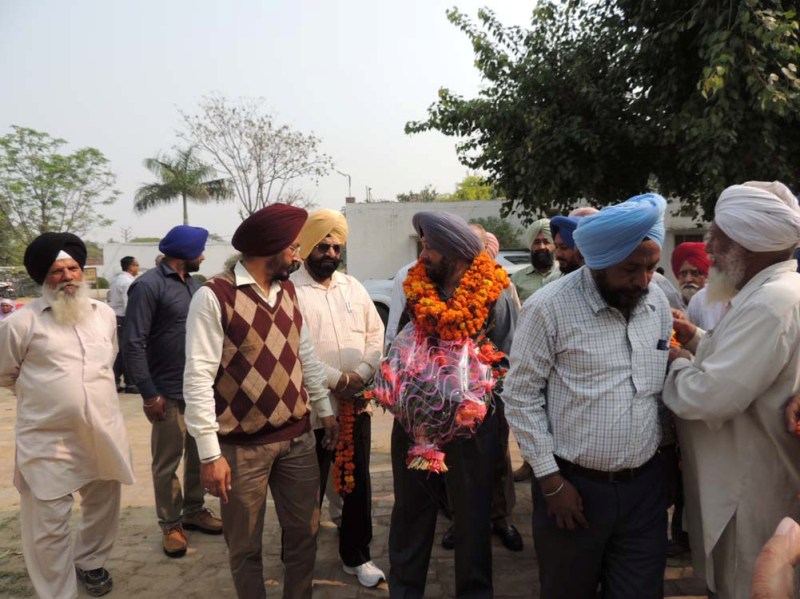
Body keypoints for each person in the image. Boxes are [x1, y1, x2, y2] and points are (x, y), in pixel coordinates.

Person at [504, 193, 672, 599]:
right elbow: (521, 396)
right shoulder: (548, 308)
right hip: (573, 491)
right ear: (598, 261)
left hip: (645, 491)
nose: (643, 280)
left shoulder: (656, 302)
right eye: (631, 269)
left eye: (651, 267)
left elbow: (658, 392)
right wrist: (551, 482)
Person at [183, 203, 339, 599]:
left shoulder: (288, 291)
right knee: (245, 547)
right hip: (241, 450)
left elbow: (305, 355)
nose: (298, 256)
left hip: (298, 440)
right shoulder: (214, 297)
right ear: (272, 248)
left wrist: (324, 410)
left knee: (304, 535)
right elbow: (198, 378)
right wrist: (209, 454)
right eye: (294, 247)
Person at [663, 181, 800, 598]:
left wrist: (675, 361)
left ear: (749, 244)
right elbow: (747, 365)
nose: (710, 249)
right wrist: (695, 339)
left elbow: (712, 396)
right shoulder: (772, 294)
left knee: (749, 583)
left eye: (718, 237)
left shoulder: (770, 302)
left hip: (749, 486)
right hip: (747, 475)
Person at [388, 211, 517, 598]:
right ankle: (404, 590)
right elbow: (400, 342)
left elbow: (508, 358)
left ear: (454, 251)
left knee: (473, 515)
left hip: (471, 428)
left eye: (429, 247)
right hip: (415, 424)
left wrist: (469, 389)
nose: (423, 254)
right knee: (411, 513)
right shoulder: (418, 290)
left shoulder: (494, 293)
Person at [0, 232, 135, 598]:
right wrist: (48, 396)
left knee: (103, 503)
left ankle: (90, 562)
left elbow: (107, 361)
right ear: (43, 276)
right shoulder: (21, 323)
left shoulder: (103, 315)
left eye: (73, 268)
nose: (68, 277)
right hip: (48, 439)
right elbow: (5, 373)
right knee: (48, 525)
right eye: (57, 271)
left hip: (102, 432)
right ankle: (57, 592)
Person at [291, 209, 386, 587]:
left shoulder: (353, 287)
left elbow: (375, 334)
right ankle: (299, 563)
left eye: (336, 247)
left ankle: (357, 556)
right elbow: (295, 349)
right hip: (310, 409)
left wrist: (361, 373)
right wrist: (336, 379)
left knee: (357, 484)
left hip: (354, 404)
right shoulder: (290, 291)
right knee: (305, 491)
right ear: (307, 247)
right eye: (323, 246)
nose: (330, 253)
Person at [122, 225, 222, 558]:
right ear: (184, 252)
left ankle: (194, 510)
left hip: (198, 389)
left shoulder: (195, 285)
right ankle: (170, 523)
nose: (203, 256)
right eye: (200, 250)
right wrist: (148, 392)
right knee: (167, 462)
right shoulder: (148, 286)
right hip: (165, 390)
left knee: (198, 454)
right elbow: (133, 342)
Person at [670, 242, 727, 330]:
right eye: (683, 274)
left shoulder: (719, 305)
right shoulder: (670, 303)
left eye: (695, 273)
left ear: (708, 275)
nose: (688, 280)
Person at [107, 255, 139, 393]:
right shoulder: (127, 282)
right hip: (124, 317)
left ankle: (115, 382)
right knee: (127, 351)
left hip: (116, 317)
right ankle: (130, 383)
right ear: (131, 267)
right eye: (136, 265)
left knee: (119, 351)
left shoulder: (116, 279)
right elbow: (128, 304)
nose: (138, 268)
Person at [510, 218, 559, 302]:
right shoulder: (516, 278)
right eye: (537, 242)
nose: (541, 247)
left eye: (546, 242)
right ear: (530, 245)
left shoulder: (565, 274)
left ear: (554, 245)